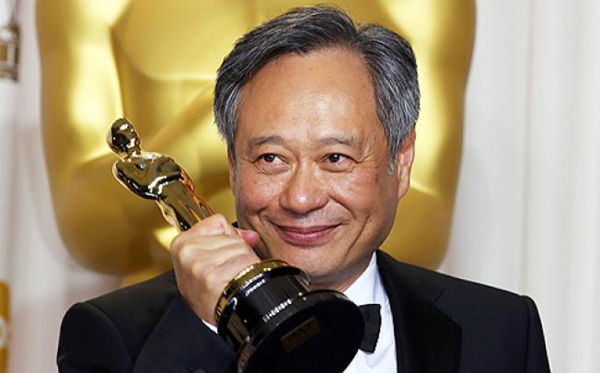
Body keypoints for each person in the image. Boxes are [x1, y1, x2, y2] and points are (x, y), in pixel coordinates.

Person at [57, 6, 550, 373]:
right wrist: (205, 330)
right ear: (232, 167)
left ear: (401, 163)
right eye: (270, 159)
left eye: (335, 158)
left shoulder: (501, 330)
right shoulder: (114, 337)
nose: (300, 198)